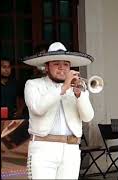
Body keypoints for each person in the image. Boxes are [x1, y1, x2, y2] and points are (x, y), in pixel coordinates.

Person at [22, 42, 95, 179]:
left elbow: (88, 117)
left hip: (71, 150)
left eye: (66, 64)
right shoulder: (33, 85)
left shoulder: (77, 87)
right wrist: (63, 88)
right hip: (43, 148)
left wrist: (80, 95)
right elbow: (38, 108)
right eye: (56, 63)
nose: (62, 68)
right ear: (46, 67)